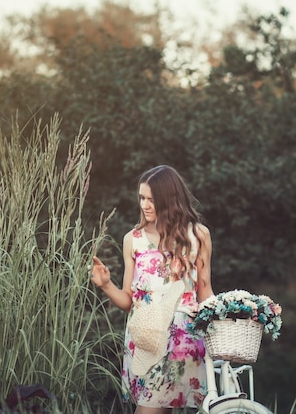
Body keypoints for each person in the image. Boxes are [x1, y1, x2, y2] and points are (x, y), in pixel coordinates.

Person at [90, 165, 214, 414]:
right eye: (142, 198)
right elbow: (128, 301)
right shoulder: (132, 239)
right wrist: (105, 285)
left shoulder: (198, 235)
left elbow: (205, 291)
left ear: (169, 200)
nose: (145, 205)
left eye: (152, 199)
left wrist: (225, 316)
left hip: (181, 339)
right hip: (145, 341)